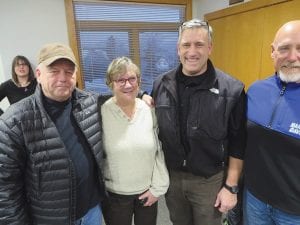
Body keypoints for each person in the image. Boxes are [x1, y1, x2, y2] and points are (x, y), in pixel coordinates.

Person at [149, 18, 246, 225]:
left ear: (210, 48)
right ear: (178, 49)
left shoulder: (232, 90)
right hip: (172, 178)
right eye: (186, 45)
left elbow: (238, 143)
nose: (192, 52)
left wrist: (231, 187)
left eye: (199, 44)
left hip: (209, 180)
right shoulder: (161, 84)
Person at [0, 43, 105, 225]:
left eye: (69, 72)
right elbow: (5, 188)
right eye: (54, 71)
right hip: (50, 219)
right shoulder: (15, 120)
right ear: (39, 75)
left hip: (91, 212)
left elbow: (120, 97)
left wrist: (142, 94)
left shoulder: (90, 103)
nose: (63, 78)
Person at [243, 20, 300, 225]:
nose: (293, 57)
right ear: (273, 52)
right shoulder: (256, 90)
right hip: (255, 200)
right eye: (285, 48)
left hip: (294, 213)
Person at [101, 56, 169, 225]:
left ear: (139, 81)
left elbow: (159, 150)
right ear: (111, 83)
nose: (128, 84)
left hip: (147, 192)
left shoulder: (149, 109)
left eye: (132, 79)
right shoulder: (101, 112)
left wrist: (157, 188)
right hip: (115, 196)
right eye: (120, 80)